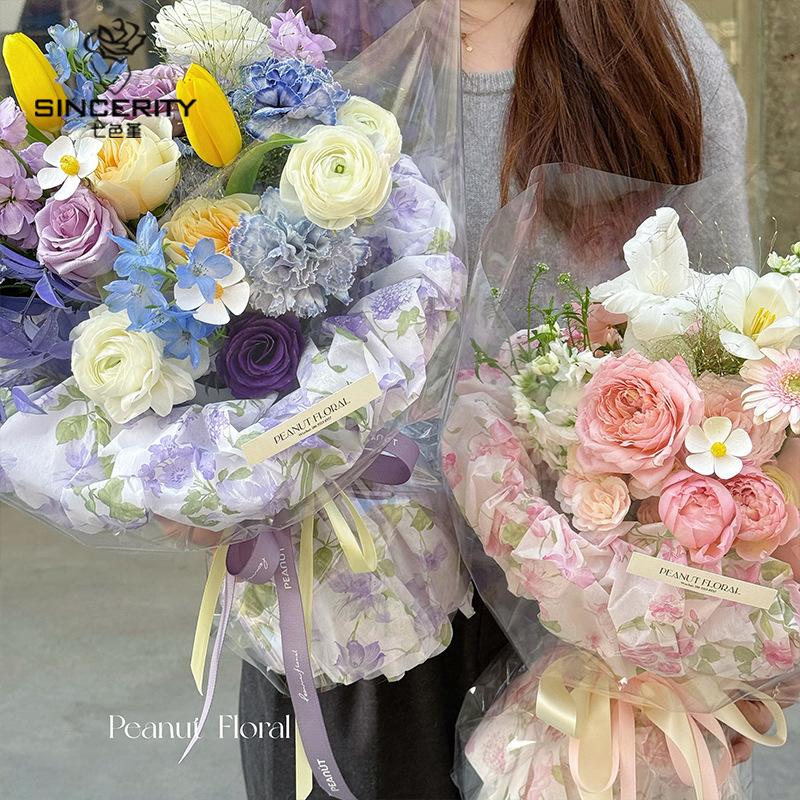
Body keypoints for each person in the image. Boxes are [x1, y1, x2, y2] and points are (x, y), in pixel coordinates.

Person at [239, 2, 771, 797]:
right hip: (352, 595)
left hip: (595, 613)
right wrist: (203, 468)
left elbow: (729, 351)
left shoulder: (653, 46)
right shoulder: (307, 44)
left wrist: (736, 655)